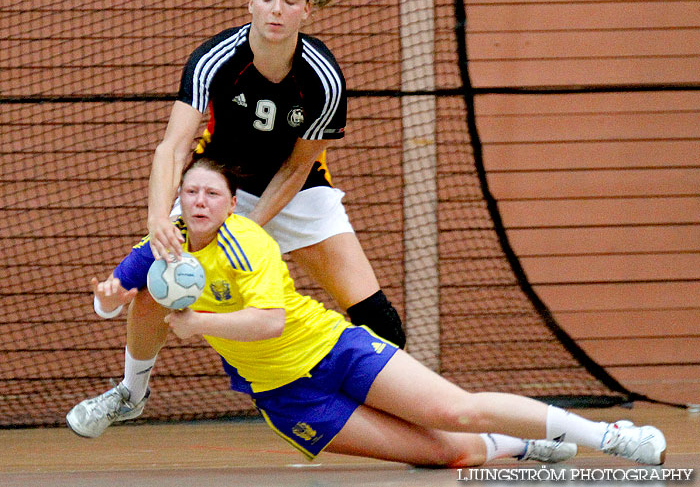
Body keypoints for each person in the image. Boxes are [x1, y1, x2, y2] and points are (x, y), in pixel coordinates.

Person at [67, 157, 666, 467]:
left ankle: (610, 436)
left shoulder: (250, 241)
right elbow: (107, 301)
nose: (199, 200)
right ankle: (522, 446)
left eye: (213, 194)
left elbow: (269, 323)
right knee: (446, 454)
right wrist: (109, 297)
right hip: (287, 395)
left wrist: (197, 325)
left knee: (450, 409)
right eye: (190, 191)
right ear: (179, 199)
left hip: (334, 349)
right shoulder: (164, 243)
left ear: (229, 206)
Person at [66, 0, 406, 437]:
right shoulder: (216, 58)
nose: (276, 9)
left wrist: (249, 227)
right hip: (219, 187)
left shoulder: (323, 77)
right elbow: (173, 146)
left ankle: (406, 414)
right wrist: (159, 216)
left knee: (378, 319)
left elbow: (297, 166)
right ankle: (130, 393)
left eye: (289, 1)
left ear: (305, 11)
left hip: (299, 194)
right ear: (250, 0)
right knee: (152, 288)